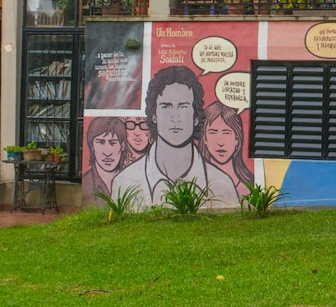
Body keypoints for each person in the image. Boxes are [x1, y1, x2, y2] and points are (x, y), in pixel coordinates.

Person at [109, 66, 239, 209]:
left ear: (196, 116)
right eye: (166, 106)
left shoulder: (222, 185)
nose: (175, 117)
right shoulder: (123, 182)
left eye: (183, 106)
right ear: (154, 116)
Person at [199, 101, 253, 197]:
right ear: (204, 138)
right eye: (213, 132)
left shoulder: (249, 186)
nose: (220, 143)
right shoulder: (197, 183)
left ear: (237, 139)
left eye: (226, 133)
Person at [84, 117, 128, 198]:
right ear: (92, 146)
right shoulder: (86, 182)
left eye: (113, 143)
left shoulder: (132, 180)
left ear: (122, 146)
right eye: (100, 142)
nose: (107, 152)